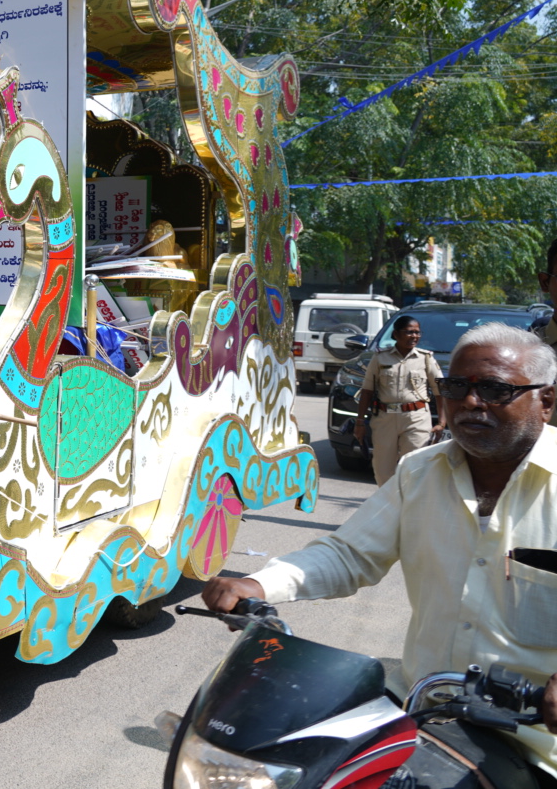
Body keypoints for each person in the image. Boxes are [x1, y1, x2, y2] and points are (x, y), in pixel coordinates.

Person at [203, 322, 557, 775]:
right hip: (423, 720)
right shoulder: (420, 471)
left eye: (493, 389)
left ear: (545, 401)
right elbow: (351, 554)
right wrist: (259, 583)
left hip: (535, 745)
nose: (471, 402)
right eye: (457, 387)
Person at [354, 313, 443, 486]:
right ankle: (389, 507)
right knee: (382, 470)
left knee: (415, 467)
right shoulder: (380, 358)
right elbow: (366, 391)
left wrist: (442, 422)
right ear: (396, 334)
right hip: (384, 419)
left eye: (417, 332)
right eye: (409, 332)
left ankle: (409, 508)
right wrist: (359, 422)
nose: (414, 336)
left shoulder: (426, 358)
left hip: (416, 419)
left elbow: (440, 392)